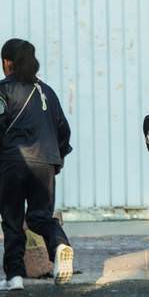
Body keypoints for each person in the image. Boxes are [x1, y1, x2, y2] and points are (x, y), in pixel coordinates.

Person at [0, 39, 74, 290]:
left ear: (7, 63)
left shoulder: (3, 90)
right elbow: (64, 129)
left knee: (12, 219)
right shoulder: (48, 92)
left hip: (13, 161)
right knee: (40, 216)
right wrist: (57, 159)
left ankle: (15, 278)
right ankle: (59, 245)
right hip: (46, 162)